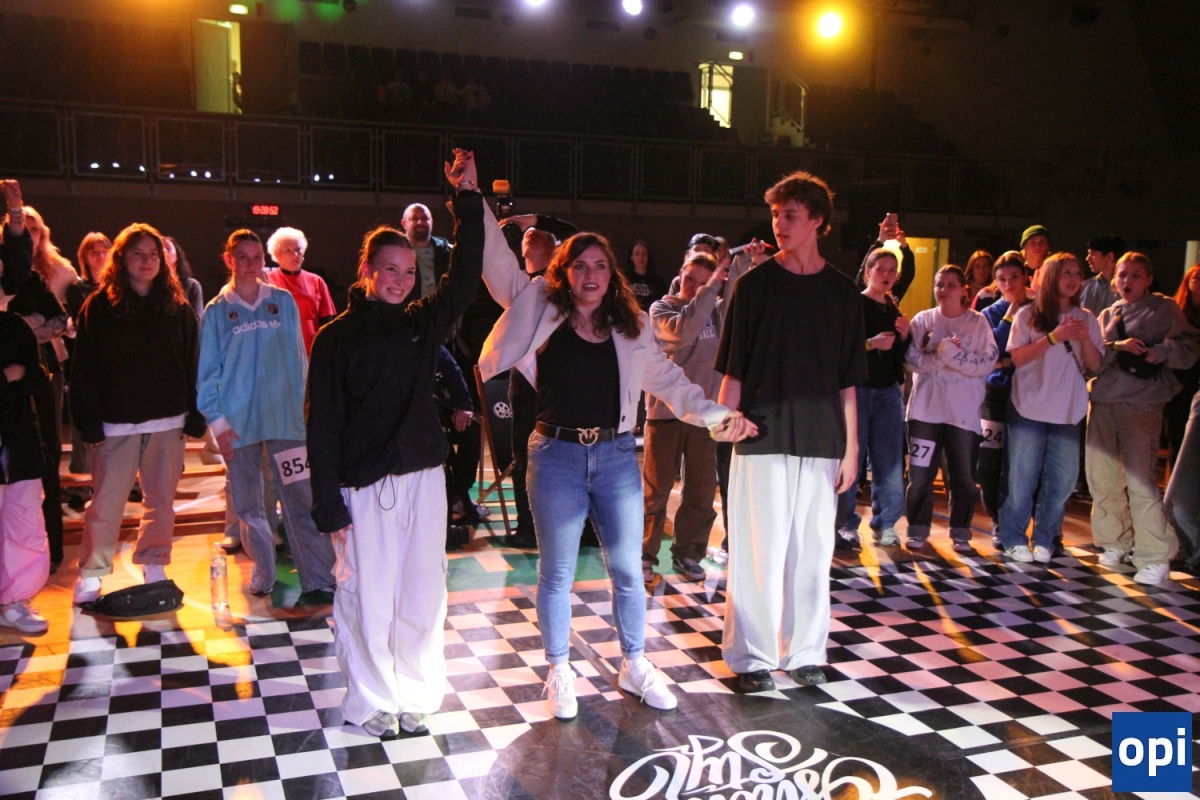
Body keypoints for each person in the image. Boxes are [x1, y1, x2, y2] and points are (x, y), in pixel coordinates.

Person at [479, 205, 755, 719]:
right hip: (555, 455)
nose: (590, 275)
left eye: (600, 266)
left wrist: (717, 415)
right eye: (580, 265)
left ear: (612, 274)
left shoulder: (631, 326)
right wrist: (471, 196)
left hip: (615, 457)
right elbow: (496, 266)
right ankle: (559, 669)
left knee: (629, 570)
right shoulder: (540, 308)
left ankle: (634, 663)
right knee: (557, 574)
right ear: (563, 272)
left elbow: (670, 382)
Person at [307, 149, 483, 738]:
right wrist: (328, 505)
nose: (400, 280)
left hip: (424, 480)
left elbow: (465, 278)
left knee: (422, 595)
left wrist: (467, 201)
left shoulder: (419, 324)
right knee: (369, 598)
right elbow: (322, 425)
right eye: (389, 269)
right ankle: (372, 700)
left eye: (408, 272)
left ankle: (415, 693)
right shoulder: (335, 339)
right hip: (364, 488)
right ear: (367, 269)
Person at [715, 171, 866, 694]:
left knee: (813, 551)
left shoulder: (843, 294)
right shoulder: (754, 286)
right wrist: (722, 424)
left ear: (817, 221)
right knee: (758, 551)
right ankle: (751, 656)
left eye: (791, 215)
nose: (779, 224)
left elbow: (849, 381)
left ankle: (805, 652)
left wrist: (852, 447)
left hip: (823, 438)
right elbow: (733, 369)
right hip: (760, 433)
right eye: (776, 214)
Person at [70, 224, 208, 604]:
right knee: (105, 504)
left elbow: (193, 363)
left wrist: (195, 413)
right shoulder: (99, 307)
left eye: (153, 254)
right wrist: (88, 421)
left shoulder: (177, 307)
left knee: (160, 502)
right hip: (116, 423)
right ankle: (92, 574)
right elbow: (84, 368)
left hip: (168, 421)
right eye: (137, 253)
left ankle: (154, 562)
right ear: (121, 259)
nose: (146, 261)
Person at [197, 230, 336, 597]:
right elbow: (207, 373)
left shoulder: (282, 301)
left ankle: (319, 575)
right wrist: (217, 422)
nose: (250, 264)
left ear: (264, 260)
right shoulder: (217, 311)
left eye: (257, 257)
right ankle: (264, 570)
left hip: (286, 421)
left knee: (301, 499)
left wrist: (305, 409)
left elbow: (300, 360)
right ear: (228, 260)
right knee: (248, 505)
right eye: (242, 257)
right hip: (238, 425)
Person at [1087, 252, 1200, 584]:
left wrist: (1161, 351)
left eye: (1136, 275)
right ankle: (1115, 542)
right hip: (1103, 401)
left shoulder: (1164, 308)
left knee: (1139, 479)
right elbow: (1092, 359)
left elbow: (1190, 347)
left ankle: (1155, 555)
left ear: (1149, 279)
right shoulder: (1107, 314)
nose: (1127, 281)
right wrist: (1117, 346)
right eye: (1122, 275)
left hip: (1142, 404)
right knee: (1102, 477)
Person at [996, 253, 1104, 563]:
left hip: (1068, 410)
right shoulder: (1028, 314)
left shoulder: (1086, 318)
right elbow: (1017, 358)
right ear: (1051, 276)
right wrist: (1054, 338)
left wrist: (1083, 338)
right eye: (1066, 272)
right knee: (1022, 477)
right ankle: (1014, 538)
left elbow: (1095, 366)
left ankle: (1045, 538)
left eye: (1077, 273)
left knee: (1062, 480)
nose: (1073, 279)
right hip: (1028, 407)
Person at [642, 251, 729, 586]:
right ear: (680, 274)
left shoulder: (717, 310)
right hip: (665, 412)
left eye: (703, 283)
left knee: (701, 490)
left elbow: (737, 305)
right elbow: (682, 334)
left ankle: (688, 552)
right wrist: (708, 293)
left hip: (704, 415)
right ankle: (645, 555)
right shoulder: (661, 309)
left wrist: (744, 265)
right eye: (690, 279)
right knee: (656, 490)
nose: (694, 288)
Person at [903, 265, 998, 552]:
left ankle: (960, 531)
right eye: (939, 285)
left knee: (963, 478)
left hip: (963, 415)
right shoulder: (923, 320)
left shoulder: (978, 323)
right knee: (920, 476)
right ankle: (917, 529)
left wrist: (950, 353)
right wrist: (941, 354)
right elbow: (910, 360)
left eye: (950, 285)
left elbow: (985, 365)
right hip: (925, 412)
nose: (944, 290)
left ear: (963, 290)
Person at [835, 246, 911, 551]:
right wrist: (871, 344)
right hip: (858, 390)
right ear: (868, 272)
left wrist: (904, 337)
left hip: (888, 391)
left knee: (890, 459)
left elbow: (900, 356)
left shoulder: (893, 308)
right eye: (881, 269)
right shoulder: (855, 303)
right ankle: (846, 524)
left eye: (892, 270)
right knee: (852, 457)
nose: (887, 275)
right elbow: (843, 348)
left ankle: (886, 523)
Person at [0, 214, 51, 634]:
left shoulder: (14, 325)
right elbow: (17, 375)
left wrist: (19, 376)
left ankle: (16, 600)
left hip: (18, 443)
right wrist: (7, 378)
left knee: (24, 524)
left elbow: (36, 375)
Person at [976, 252, 1031, 548]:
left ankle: (1026, 525)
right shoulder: (989, 313)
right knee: (989, 464)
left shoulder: (1039, 308)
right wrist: (1010, 314)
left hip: (1031, 394)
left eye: (1014, 277)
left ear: (1025, 277)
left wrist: (1011, 360)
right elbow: (992, 352)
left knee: (1023, 463)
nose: (1009, 283)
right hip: (995, 395)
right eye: (1002, 279)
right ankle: (998, 521)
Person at [64, 232, 111, 488]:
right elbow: (81, 323)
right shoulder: (77, 289)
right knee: (83, 418)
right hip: (85, 360)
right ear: (85, 256)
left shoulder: (118, 287)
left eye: (104, 251)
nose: (100, 256)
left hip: (112, 364)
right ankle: (80, 483)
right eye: (94, 252)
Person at [264, 227, 336, 355]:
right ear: (277, 255)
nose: (295, 255)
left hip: (311, 353)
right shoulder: (266, 282)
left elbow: (327, 323)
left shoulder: (316, 281)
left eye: (298, 250)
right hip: (278, 354)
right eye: (288, 251)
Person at [1165, 264, 1200, 466]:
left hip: (1196, 379)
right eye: (1197, 278)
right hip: (1179, 382)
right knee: (1177, 435)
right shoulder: (1176, 310)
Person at [400, 203, 453, 300]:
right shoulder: (395, 252)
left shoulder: (449, 252)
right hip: (405, 309)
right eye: (414, 219)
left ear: (431, 222)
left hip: (442, 309)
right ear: (404, 223)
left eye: (424, 218)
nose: (420, 222)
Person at [1080, 235, 1125, 317]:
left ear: (1109, 256)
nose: (1087, 258)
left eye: (1093, 254)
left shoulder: (1127, 288)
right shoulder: (1084, 287)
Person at [162, 236, 204, 319]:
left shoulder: (192, 285)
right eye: (161, 249)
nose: (164, 252)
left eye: (168, 249)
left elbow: (197, 320)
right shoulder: (153, 284)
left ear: (177, 255)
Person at [622, 240, 667, 312]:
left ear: (648, 257)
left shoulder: (659, 282)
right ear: (631, 257)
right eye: (637, 254)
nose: (641, 257)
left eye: (644, 254)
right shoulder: (624, 280)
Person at [1021, 224, 1050, 289]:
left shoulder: (1052, 272)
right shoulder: (1018, 273)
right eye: (1032, 242)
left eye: (1042, 242)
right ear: (1025, 246)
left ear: (1047, 246)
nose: (1038, 246)